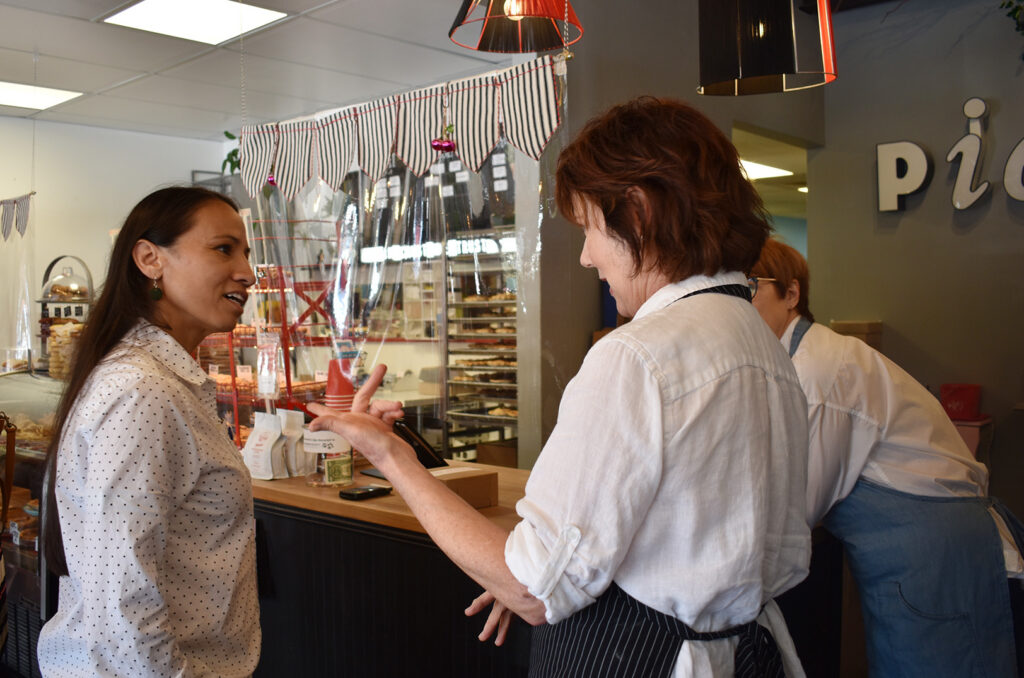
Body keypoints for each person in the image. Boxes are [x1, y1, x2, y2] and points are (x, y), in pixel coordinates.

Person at [309, 97, 813, 677]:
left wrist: (390, 454)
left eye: (591, 228)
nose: (585, 256)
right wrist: (530, 566)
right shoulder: (758, 340)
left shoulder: (636, 356)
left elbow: (533, 589)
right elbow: (679, 526)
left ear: (639, 212)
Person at [749, 237, 1024, 677]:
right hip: (919, 564)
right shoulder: (804, 360)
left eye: (750, 287)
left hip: (941, 564)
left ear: (792, 293)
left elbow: (792, 513)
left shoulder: (817, 373)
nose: (739, 306)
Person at [37, 186, 262, 677]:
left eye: (246, 252)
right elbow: (124, 605)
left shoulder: (158, 380)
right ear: (149, 259)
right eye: (224, 249)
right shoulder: (143, 391)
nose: (248, 272)